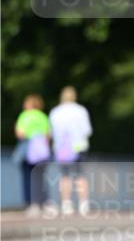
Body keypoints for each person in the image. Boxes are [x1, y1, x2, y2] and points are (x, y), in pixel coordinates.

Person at [48, 86, 93, 215]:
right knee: (80, 175)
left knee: (65, 176)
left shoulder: (55, 112)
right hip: (79, 146)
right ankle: (84, 204)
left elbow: (52, 132)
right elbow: (87, 130)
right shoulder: (81, 111)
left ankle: (66, 204)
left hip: (62, 148)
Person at [14, 94, 51, 216]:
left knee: (27, 177)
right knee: (41, 177)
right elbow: (47, 136)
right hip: (40, 151)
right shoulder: (42, 116)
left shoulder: (24, 116)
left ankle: (31, 204)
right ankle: (44, 203)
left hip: (27, 149)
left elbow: (20, 134)